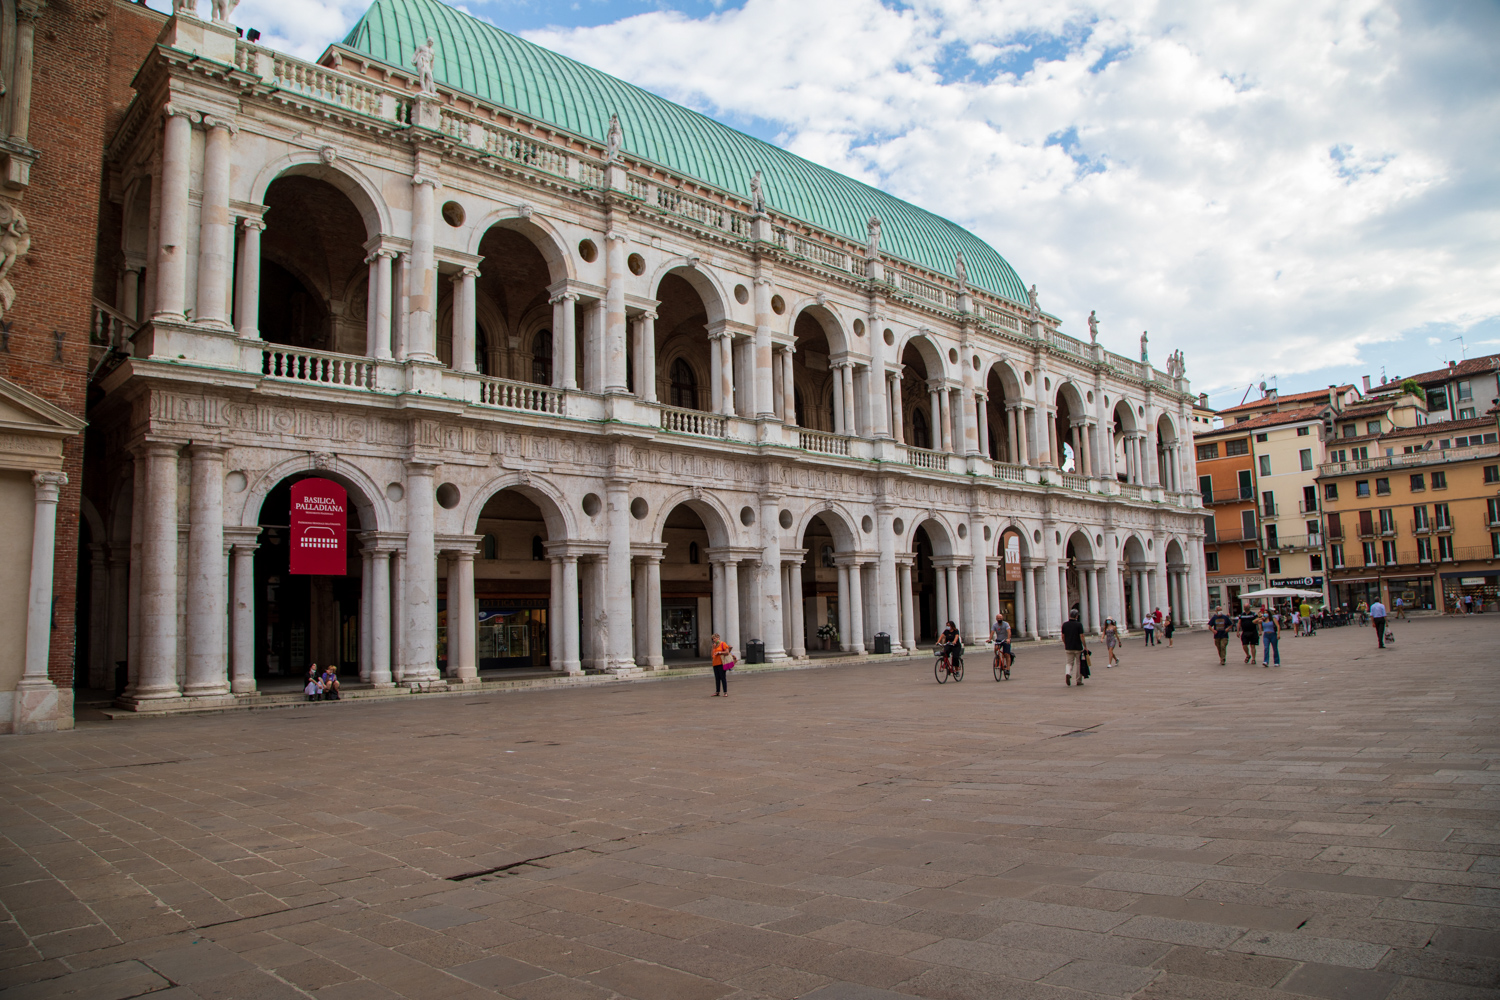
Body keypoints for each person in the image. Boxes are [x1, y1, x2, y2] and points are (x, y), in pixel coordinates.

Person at [1061, 608, 1088, 686]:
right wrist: (1085, 646)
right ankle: (1078, 680)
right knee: (1079, 663)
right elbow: (1082, 636)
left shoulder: (1065, 625)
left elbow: (1063, 636)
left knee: (1069, 663)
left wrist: (1066, 643)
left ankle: (1068, 673)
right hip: (1078, 647)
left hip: (1068, 647)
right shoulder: (1079, 624)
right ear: (1076, 616)